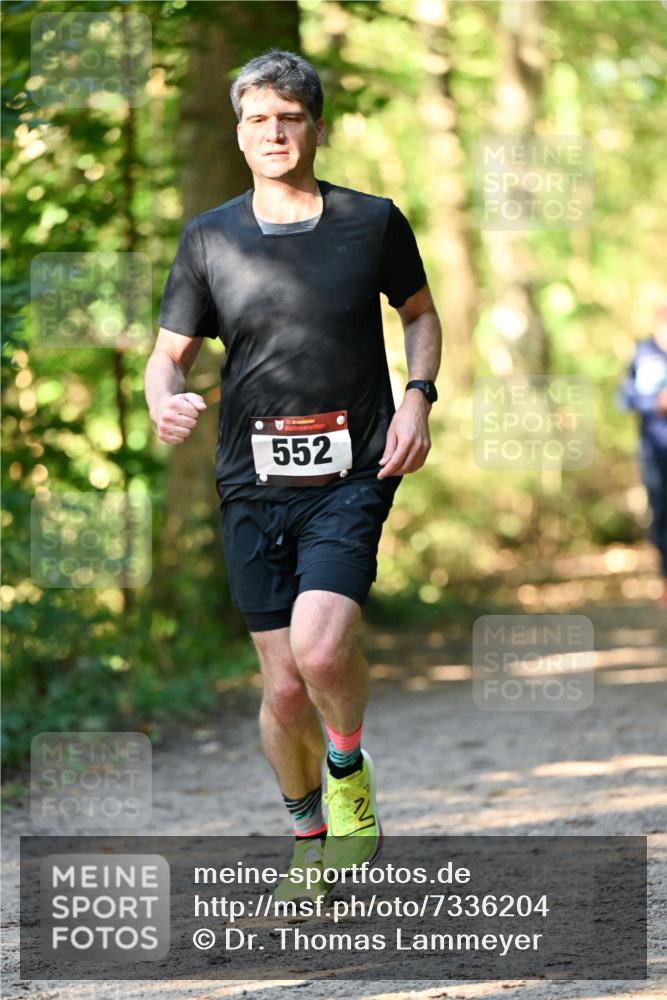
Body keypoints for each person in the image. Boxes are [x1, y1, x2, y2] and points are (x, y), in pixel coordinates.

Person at [144, 50, 442, 899]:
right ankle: (310, 841)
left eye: (288, 118)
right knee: (280, 687)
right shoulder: (209, 236)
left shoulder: (372, 221)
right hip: (250, 477)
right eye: (256, 121)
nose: (272, 134)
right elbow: (166, 359)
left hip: (354, 467)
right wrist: (164, 401)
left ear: (315, 126)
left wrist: (417, 397)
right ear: (239, 135)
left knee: (318, 648)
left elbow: (420, 316)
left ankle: (347, 767)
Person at [620, 303, 667, 608]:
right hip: (654, 452)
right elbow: (626, 398)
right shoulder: (643, 354)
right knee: (662, 514)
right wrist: (655, 402)